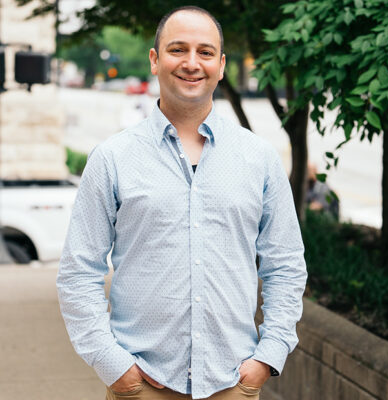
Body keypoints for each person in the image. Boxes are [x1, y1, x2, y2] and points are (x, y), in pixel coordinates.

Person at [57, 6, 307, 400]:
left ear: (221, 66)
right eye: (178, 49)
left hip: (233, 384)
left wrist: (268, 356)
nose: (192, 63)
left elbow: (286, 264)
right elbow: (78, 271)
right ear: (155, 60)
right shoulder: (112, 158)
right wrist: (112, 364)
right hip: (141, 386)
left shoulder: (258, 158)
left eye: (205, 52)